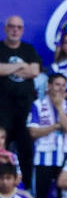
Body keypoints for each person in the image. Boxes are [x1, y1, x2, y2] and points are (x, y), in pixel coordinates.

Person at [0, 17, 42, 180]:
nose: (15, 30)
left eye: (18, 27)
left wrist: (7, 69)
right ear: (5, 29)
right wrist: (21, 65)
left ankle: (25, 186)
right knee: (1, 148)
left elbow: (34, 71)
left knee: (26, 150)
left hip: (25, 109)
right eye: (11, 26)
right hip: (2, 109)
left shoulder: (28, 49)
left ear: (22, 30)